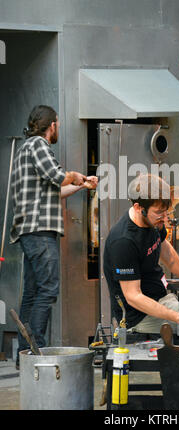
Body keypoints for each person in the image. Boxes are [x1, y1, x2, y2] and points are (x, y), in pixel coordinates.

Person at [10, 105, 98, 368]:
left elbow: (53, 191)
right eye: (58, 124)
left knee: (33, 292)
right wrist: (76, 175)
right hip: (39, 230)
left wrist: (81, 185)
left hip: (31, 229)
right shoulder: (38, 144)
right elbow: (57, 176)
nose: (58, 128)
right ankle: (37, 353)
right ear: (52, 125)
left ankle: (25, 355)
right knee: (48, 290)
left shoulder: (27, 149)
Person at [103, 173, 179, 336]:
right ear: (138, 208)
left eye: (166, 212)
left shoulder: (154, 219)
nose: (165, 218)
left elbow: (167, 252)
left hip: (161, 297)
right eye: (159, 213)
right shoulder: (123, 242)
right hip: (139, 317)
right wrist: (175, 316)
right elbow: (133, 297)